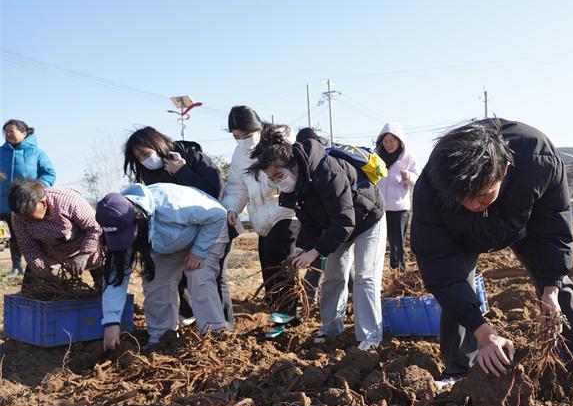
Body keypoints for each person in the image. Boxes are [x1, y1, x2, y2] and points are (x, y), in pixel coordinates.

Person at [410, 118, 573, 399]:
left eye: (483, 196)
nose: (472, 206)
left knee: (559, 288)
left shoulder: (538, 158)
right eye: (464, 199)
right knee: (457, 291)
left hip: (523, 223)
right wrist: (485, 335)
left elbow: (554, 227)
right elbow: (442, 272)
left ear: (504, 171)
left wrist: (551, 288)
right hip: (460, 234)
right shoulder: (433, 187)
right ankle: (459, 372)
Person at [248, 126, 386, 351]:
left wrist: (316, 251)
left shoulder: (326, 170)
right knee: (333, 276)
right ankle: (331, 329)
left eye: (279, 176)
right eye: (273, 180)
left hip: (367, 218)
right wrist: (302, 247)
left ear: (293, 165)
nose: (279, 183)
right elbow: (310, 221)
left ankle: (369, 338)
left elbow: (345, 219)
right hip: (337, 226)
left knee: (364, 276)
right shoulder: (294, 188)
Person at [96, 183, 230, 351]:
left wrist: (199, 251)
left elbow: (218, 215)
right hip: (168, 241)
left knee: (197, 275)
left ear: (138, 217)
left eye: (125, 234)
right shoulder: (116, 218)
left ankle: (214, 335)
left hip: (208, 230)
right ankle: (162, 339)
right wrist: (111, 321)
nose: (124, 241)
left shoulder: (172, 204)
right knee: (155, 282)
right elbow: (116, 277)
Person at [122, 126, 232, 327]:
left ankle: (220, 328)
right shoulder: (149, 173)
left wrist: (181, 171)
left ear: (158, 144)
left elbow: (214, 192)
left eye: (145, 154)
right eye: (139, 158)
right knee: (167, 278)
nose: (144, 160)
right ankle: (171, 329)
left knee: (207, 276)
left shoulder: (191, 157)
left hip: (211, 225)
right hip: (178, 232)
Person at [222, 107, 298, 329]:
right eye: (237, 137)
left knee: (279, 258)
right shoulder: (239, 155)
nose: (243, 141)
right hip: (262, 218)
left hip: (286, 211)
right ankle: (277, 311)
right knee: (267, 263)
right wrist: (232, 209)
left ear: (257, 127)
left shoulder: (278, 144)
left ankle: (288, 314)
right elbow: (237, 187)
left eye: (247, 135)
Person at [8, 180, 104, 286]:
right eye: (25, 219)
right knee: (34, 290)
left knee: (105, 286)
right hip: (52, 253)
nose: (29, 222)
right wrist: (44, 272)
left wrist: (84, 254)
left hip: (85, 245)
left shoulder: (69, 201)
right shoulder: (18, 217)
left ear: (43, 203)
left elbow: (94, 227)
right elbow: (29, 249)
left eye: (32, 218)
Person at [0, 120, 57, 277]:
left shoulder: (36, 153)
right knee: (8, 235)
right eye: (5, 132)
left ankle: (24, 268)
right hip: (2, 201)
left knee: (18, 235)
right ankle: (16, 267)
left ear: (24, 133)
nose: (8, 135)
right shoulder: (0, 152)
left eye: (11, 131)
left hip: (25, 203)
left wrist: (36, 188)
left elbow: (49, 173)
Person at [375, 122, 420, 271]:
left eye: (392, 141)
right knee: (379, 242)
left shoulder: (408, 157)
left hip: (399, 208)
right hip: (379, 207)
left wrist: (407, 176)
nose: (388, 144)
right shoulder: (376, 156)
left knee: (397, 242)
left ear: (399, 140)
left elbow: (418, 179)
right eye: (385, 141)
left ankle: (399, 271)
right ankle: (381, 272)